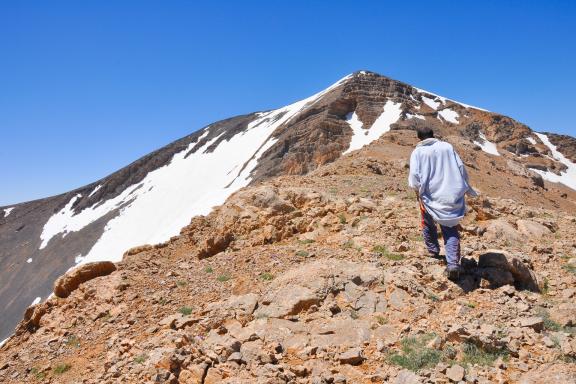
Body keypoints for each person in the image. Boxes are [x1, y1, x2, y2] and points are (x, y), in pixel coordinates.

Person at [408, 126, 477, 281]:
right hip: (451, 194)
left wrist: (417, 190)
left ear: (419, 138)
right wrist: (464, 186)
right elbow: (461, 167)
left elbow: (414, 175)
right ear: (433, 135)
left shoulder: (418, 152)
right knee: (450, 227)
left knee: (427, 222)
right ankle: (452, 263)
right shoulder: (447, 147)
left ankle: (433, 250)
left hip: (429, 195)